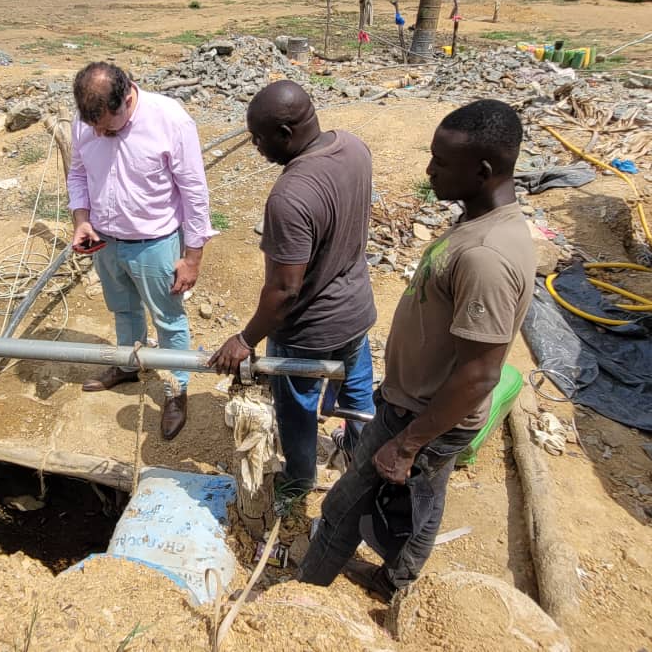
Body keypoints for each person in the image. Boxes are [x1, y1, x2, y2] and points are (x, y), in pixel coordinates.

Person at [298, 99, 535, 601]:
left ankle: (310, 592)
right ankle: (392, 578)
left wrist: (408, 444)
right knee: (418, 500)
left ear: (483, 170)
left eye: (441, 162)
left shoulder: (486, 257)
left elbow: (479, 375)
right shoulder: (481, 222)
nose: (428, 171)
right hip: (415, 404)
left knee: (357, 504)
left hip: (422, 417)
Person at [210, 80, 376, 495]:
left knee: (297, 409)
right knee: (357, 395)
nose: (255, 146)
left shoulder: (291, 195)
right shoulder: (353, 147)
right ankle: (366, 466)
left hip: (309, 330)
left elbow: (285, 291)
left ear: (285, 134)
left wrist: (245, 339)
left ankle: (298, 483)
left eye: (259, 138)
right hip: (356, 310)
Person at [67, 61, 215, 440]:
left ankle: (175, 388)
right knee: (123, 309)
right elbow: (79, 173)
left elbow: (194, 192)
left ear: (127, 97)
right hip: (106, 241)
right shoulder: (86, 122)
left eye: (105, 125)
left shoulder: (170, 120)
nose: (97, 132)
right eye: (93, 125)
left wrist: (192, 258)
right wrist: (81, 220)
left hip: (156, 243)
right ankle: (128, 364)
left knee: (168, 319)